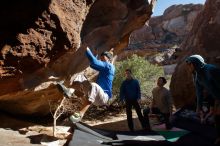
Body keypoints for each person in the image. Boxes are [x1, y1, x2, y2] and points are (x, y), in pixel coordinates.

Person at [56, 46, 115, 123]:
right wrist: (96, 55)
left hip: (103, 98)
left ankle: (80, 114)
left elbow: (94, 62)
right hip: (95, 95)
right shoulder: (106, 67)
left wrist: (86, 49)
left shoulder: (110, 66)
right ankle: (70, 91)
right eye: (101, 59)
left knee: (94, 86)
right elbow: (92, 65)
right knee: (80, 76)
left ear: (109, 60)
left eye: (103, 58)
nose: (101, 60)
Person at [185, 54, 220, 144]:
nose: (188, 67)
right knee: (217, 119)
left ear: (195, 63)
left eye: (189, 64)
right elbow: (199, 93)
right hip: (217, 99)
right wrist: (198, 108)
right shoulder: (198, 76)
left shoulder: (211, 70)